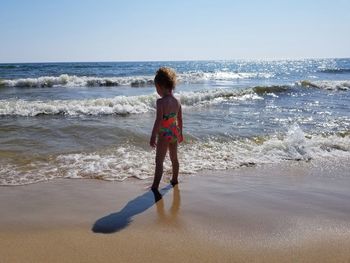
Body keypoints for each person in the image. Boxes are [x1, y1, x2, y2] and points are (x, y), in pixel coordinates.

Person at [150, 67, 183, 190]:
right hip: (174, 132)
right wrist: (181, 133)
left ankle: (155, 186)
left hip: (164, 134)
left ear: (160, 86)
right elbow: (179, 119)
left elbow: (159, 120)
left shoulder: (160, 102)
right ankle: (175, 179)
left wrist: (153, 135)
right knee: (174, 158)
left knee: (159, 161)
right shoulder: (177, 101)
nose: (156, 90)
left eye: (156, 88)